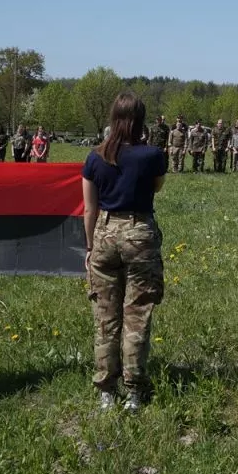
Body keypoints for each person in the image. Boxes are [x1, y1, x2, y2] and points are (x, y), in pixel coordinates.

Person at [81, 91, 166, 413]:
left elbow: (88, 209)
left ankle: (106, 388)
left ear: (113, 119)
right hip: (139, 234)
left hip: (104, 235)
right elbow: (156, 188)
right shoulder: (152, 155)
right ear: (141, 121)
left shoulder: (95, 157)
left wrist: (89, 246)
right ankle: (134, 390)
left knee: (105, 318)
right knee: (137, 316)